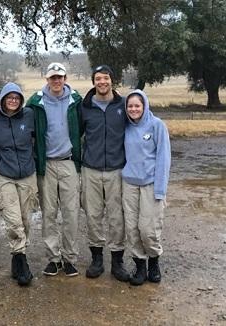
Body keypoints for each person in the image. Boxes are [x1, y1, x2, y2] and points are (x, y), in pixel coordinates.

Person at [27, 62, 82, 277]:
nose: (56, 81)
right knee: (49, 213)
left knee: (71, 213)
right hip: (46, 164)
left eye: (60, 77)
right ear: (47, 79)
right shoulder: (36, 101)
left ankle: (70, 258)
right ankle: (53, 258)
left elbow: (85, 126)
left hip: (69, 162)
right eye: (53, 78)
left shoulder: (76, 101)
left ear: (65, 79)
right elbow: (19, 118)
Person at [79, 65, 130, 282]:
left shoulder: (123, 104)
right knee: (93, 215)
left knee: (117, 216)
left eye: (106, 78)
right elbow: (76, 134)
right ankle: (97, 258)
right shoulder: (84, 107)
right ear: (93, 82)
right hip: (91, 168)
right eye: (98, 78)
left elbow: (139, 123)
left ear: (112, 80)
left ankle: (117, 261)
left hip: (117, 169)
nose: (102, 82)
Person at [0, 83, 37, 286]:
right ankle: (22, 260)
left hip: (27, 174)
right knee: (14, 220)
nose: (13, 101)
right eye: (9, 97)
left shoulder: (29, 115)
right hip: (3, 175)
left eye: (17, 97)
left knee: (25, 220)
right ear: (2, 99)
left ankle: (16, 260)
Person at [122, 89, 171, 286]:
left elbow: (164, 158)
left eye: (137, 105)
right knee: (132, 228)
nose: (133, 109)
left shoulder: (156, 125)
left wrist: (160, 188)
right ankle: (139, 265)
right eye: (130, 106)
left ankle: (154, 262)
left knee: (148, 229)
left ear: (144, 106)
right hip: (129, 184)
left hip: (151, 184)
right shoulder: (125, 126)